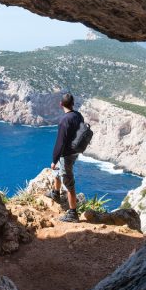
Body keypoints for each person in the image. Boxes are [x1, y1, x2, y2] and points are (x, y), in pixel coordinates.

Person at [47, 93, 84, 222]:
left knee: (68, 182)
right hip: (75, 152)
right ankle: (55, 193)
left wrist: (54, 160)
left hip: (66, 154)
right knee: (59, 171)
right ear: (73, 103)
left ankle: (73, 213)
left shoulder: (64, 120)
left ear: (61, 104)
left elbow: (60, 143)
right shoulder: (78, 116)